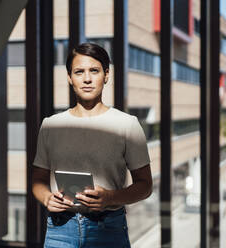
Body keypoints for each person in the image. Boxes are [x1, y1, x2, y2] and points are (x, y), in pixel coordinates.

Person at [32, 42, 152, 248]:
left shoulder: (127, 124)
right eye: (79, 72)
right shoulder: (51, 125)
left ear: (106, 75)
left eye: (94, 71)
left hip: (108, 229)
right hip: (60, 229)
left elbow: (145, 185)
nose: (87, 79)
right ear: (70, 77)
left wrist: (110, 197)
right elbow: (38, 181)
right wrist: (46, 198)